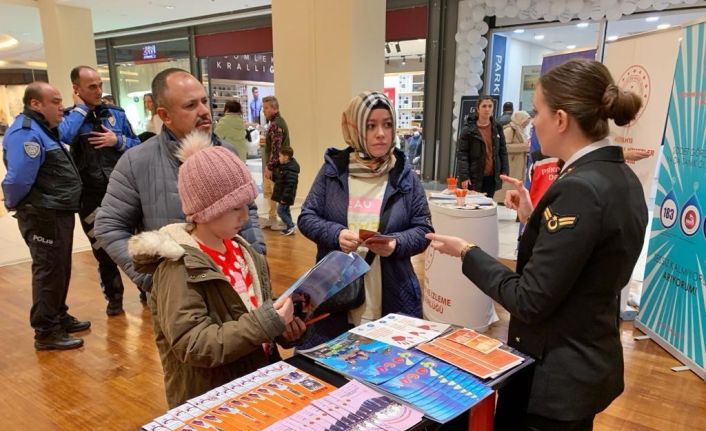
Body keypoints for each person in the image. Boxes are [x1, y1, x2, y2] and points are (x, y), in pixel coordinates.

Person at [427, 59, 648, 431]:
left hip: (555, 378)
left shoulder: (580, 189)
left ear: (561, 119)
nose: (534, 121)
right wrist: (534, 219)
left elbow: (530, 299)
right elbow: (587, 258)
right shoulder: (620, 177)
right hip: (585, 367)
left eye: (539, 111)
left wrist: (468, 252)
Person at [127, 131, 305, 408]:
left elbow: (251, 313)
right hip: (212, 400)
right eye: (234, 208)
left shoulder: (246, 253)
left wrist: (282, 327)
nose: (246, 216)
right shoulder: (178, 266)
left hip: (256, 387)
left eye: (247, 204)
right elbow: (193, 343)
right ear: (204, 210)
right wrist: (265, 323)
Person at [94, 68, 266, 297]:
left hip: (235, 286)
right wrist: (154, 279)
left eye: (204, 101)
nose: (204, 111)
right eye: (190, 105)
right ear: (165, 115)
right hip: (180, 302)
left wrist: (257, 261)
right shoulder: (136, 162)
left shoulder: (227, 152)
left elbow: (248, 211)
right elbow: (108, 226)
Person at [298, 91, 433, 348]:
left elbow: (423, 228)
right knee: (336, 361)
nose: (381, 133)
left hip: (391, 287)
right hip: (338, 288)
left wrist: (396, 244)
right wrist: (336, 234)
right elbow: (307, 217)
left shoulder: (404, 176)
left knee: (387, 364)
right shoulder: (333, 171)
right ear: (356, 129)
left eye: (387, 124)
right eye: (371, 126)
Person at [1, 82, 90, 350]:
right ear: (35, 104)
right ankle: (46, 331)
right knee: (48, 270)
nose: (61, 106)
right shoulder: (25, 133)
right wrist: (15, 203)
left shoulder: (44, 129)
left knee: (60, 267)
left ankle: (58, 316)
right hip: (42, 213)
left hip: (56, 210)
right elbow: (17, 179)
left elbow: (66, 132)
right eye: (55, 101)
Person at [58, 65, 141, 316]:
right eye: (91, 86)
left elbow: (138, 145)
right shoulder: (69, 117)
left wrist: (118, 141)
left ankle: (148, 290)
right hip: (90, 196)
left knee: (138, 243)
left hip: (123, 190)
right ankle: (114, 298)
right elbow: (64, 136)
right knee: (102, 248)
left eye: (100, 85)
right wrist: (81, 110)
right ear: (77, 89)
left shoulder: (116, 114)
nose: (98, 90)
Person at [455, 96, 509, 197]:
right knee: (473, 207)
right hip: (474, 177)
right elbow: (462, 154)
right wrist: (464, 176)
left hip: (491, 177)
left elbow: (503, 150)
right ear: (478, 109)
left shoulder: (497, 127)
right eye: (484, 106)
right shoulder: (468, 130)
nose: (487, 109)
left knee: (487, 207)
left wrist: (504, 171)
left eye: (490, 106)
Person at [262, 95, 290, 230]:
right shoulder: (276, 123)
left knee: (276, 193)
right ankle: (272, 217)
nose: (264, 111)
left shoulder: (276, 125)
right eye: (263, 108)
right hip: (276, 166)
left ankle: (282, 221)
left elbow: (276, 149)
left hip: (276, 167)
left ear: (274, 108)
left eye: (266, 108)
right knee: (270, 192)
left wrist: (269, 167)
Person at [272, 146, 299, 236]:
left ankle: (291, 226)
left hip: (286, 196)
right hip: (284, 195)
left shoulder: (290, 170)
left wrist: (284, 198)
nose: (279, 158)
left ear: (286, 157)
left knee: (280, 211)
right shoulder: (285, 167)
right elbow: (280, 180)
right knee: (286, 211)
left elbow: (289, 186)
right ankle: (289, 228)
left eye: (280, 156)